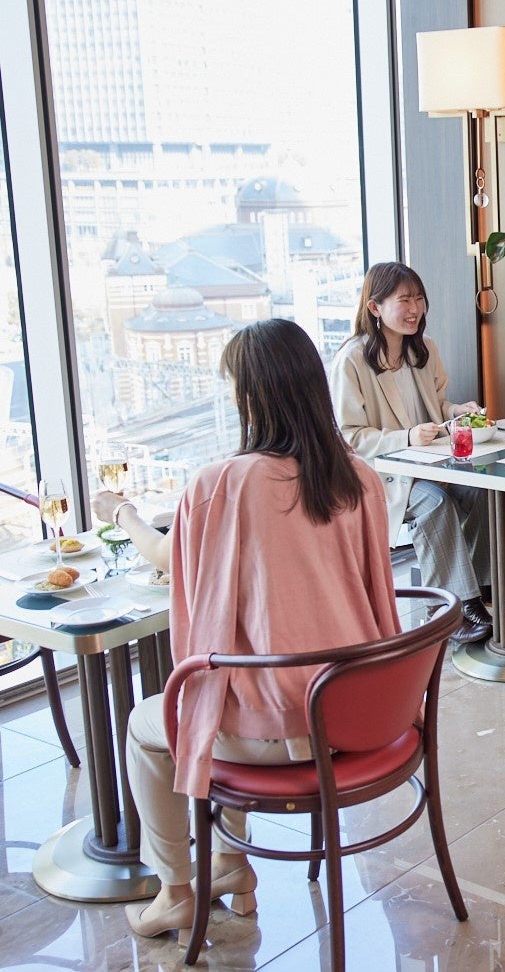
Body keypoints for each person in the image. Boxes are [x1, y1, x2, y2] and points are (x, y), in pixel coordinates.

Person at [91, 319, 401, 942]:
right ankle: (230, 866)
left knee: (159, 721)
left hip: (288, 729)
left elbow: (167, 557)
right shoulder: (357, 477)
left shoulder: (222, 484)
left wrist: (121, 513)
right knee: (233, 678)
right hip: (361, 710)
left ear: (252, 395)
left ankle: (175, 890)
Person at [330, 261, 492, 646]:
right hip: (379, 475)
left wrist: (457, 411)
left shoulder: (424, 349)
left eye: (419, 299)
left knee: (481, 489)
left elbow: (436, 406)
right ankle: (452, 609)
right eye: (404, 300)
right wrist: (405, 437)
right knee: (435, 503)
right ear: (375, 307)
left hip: (430, 463)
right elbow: (350, 437)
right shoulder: (352, 360)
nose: (415, 309)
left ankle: (474, 587)